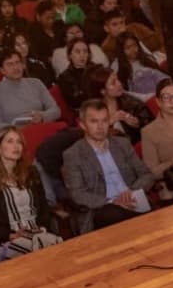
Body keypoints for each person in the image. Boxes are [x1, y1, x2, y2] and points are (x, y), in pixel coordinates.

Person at [62, 98, 156, 233]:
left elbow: (146, 174)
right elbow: (77, 194)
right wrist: (113, 201)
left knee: (148, 212)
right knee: (118, 215)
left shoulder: (122, 144)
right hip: (101, 208)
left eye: (104, 121)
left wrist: (132, 192)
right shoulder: (73, 154)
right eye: (94, 121)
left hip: (132, 199)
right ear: (82, 124)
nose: (100, 127)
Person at [0, 127, 61, 261]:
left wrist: (41, 228)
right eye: (10, 141)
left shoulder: (31, 172)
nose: (16, 146)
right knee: (39, 251)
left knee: (56, 245)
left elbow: (44, 208)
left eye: (19, 142)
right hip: (8, 240)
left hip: (37, 233)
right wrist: (11, 235)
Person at [0, 50, 62, 132]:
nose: (15, 67)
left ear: (23, 65)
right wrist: (17, 128)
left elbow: (56, 110)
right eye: (10, 64)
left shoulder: (36, 83)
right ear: (2, 70)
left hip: (41, 128)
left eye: (18, 62)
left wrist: (43, 116)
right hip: (17, 136)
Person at [55, 39, 101, 110]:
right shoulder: (64, 77)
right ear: (70, 55)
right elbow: (74, 102)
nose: (82, 55)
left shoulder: (97, 70)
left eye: (85, 51)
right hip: (82, 110)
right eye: (77, 52)